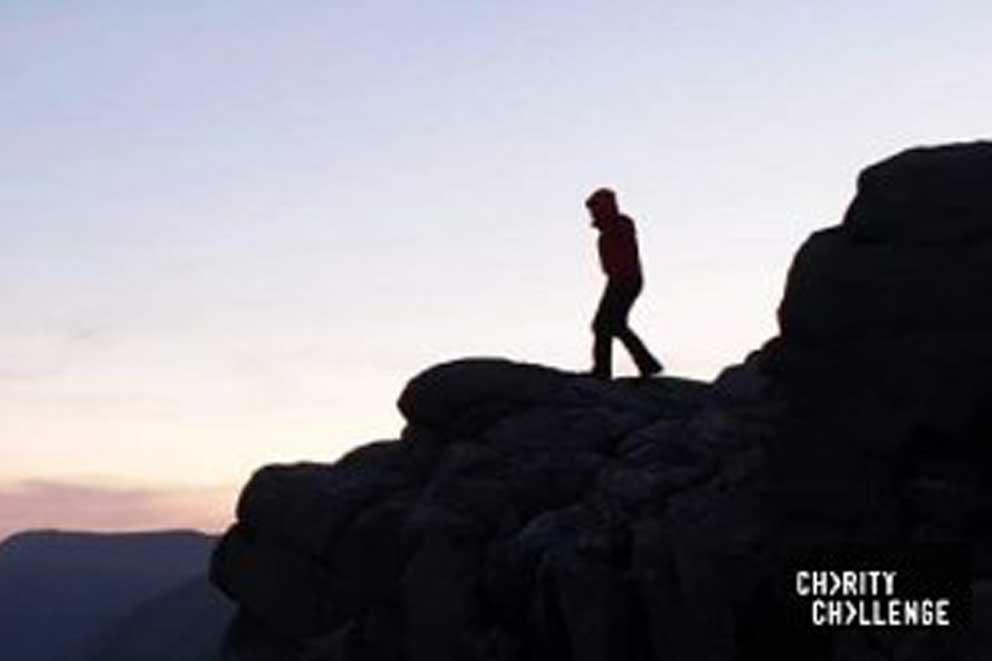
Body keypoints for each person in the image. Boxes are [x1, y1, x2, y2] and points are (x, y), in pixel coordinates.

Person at [585, 187, 663, 380]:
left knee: (603, 325)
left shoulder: (618, 226)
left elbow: (618, 258)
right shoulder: (613, 228)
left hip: (624, 281)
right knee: (614, 324)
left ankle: (604, 370)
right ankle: (647, 364)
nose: (592, 213)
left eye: (595, 208)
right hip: (623, 280)